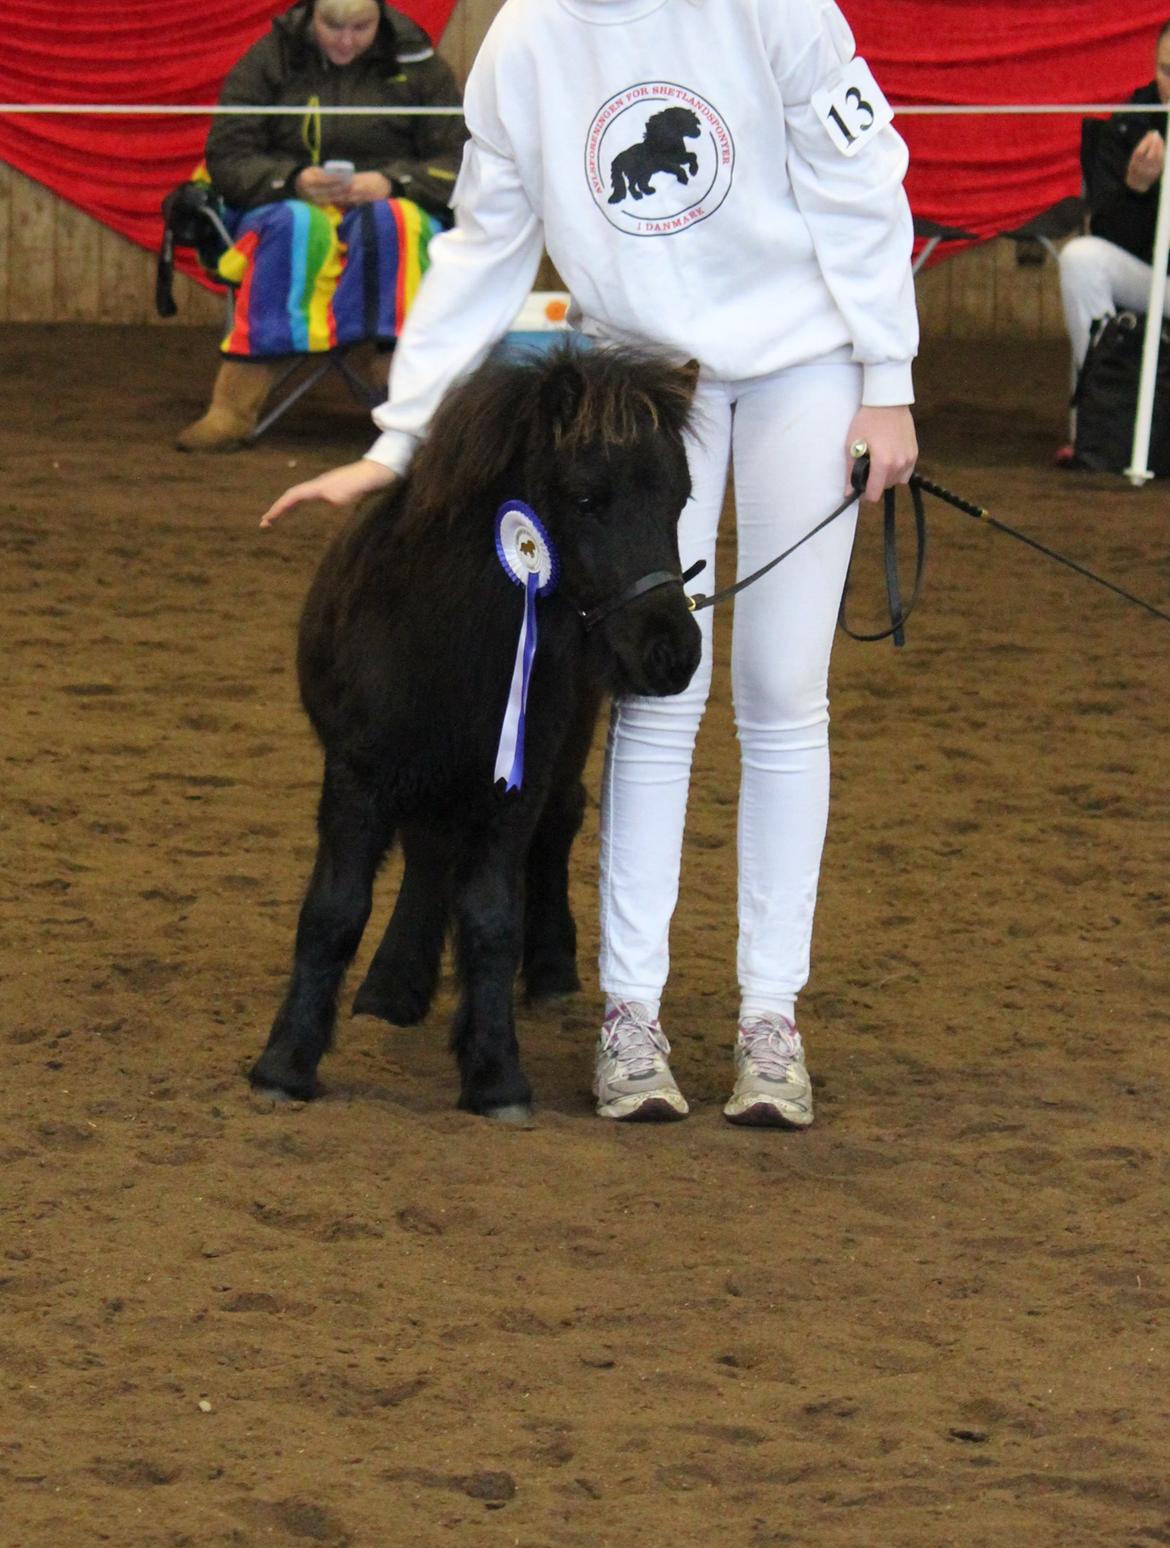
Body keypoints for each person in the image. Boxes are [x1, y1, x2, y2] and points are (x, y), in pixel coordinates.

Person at [260, 0, 919, 1128]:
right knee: (656, 691)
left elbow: (860, 173)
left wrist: (887, 377)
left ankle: (771, 1019)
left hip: (805, 364)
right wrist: (400, 439)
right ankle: (633, 1017)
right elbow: (484, 243)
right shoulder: (524, 41)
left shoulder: (775, 7)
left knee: (780, 697)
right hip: (642, 382)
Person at [176, 0, 466, 452]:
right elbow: (228, 157)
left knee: (397, 221)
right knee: (296, 224)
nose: (346, 40)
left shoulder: (419, 64)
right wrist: (291, 180)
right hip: (286, 205)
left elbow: (457, 159)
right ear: (311, 15)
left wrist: (393, 182)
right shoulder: (268, 59)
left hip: (388, 207)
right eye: (333, 27)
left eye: (360, 28)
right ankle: (234, 406)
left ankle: (410, 401)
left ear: (381, 18)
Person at [1056, 21, 1170, 466]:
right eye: (1165, 70)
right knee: (1081, 259)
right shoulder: (1133, 121)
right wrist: (1135, 189)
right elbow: (1105, 227)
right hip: (1154, 277)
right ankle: (1107, 409)